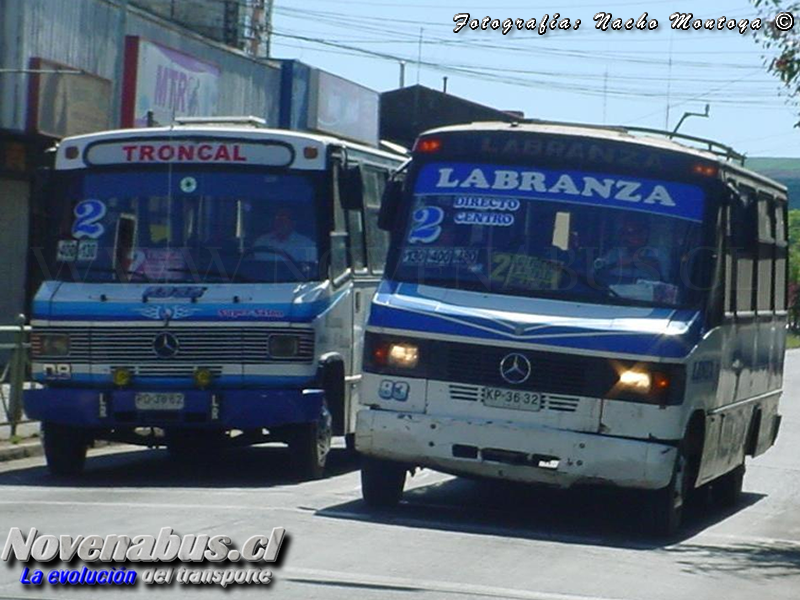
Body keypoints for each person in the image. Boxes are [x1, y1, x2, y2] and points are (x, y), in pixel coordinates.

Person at [593, 213, 669, 283]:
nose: (626, 237)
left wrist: (634, 261)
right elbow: (595, 273)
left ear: (644, 234)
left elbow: (665, 280)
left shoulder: (658, 255)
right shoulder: (614, 254)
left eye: (632, 232)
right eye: (624, 233)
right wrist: (614, 264)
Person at [253, 207, 317, 263]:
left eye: (285, 218)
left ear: (293, 222)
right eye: (278, 218)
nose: (281, 222)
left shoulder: (307, 244)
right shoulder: (261, 242)